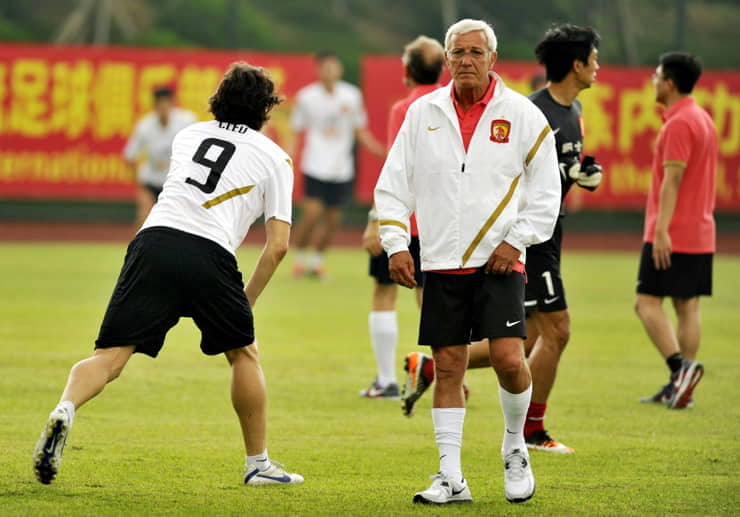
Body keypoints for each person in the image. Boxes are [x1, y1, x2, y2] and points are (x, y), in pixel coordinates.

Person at [33, 62, 303, 487]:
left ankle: (65, 407)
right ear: (266, 109)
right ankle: (258, 465)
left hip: (152, 241)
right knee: (243, 353)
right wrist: (244, 304)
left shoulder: (188, 135)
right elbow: (279, 245)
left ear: (218, 99)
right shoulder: (275, 157)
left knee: (111, 356)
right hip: (209, 252)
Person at [375, 18, 560, 505]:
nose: (466, 61)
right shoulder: (424, 113)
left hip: (500, 261)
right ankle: (450, 477)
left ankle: (515, 445)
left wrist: (516, 242)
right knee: (450, 365)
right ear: (447, 60)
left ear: (493, 59)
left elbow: (546, 194)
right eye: (457, 52)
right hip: (440, 261)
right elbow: (393, 185)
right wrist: (396, 243)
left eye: (476, 52)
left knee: (507, 358)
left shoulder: (521, 114)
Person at [402, 25, 603, 456]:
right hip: (523, 242)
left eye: (477, 52)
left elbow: (546, 176)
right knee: (556, 332)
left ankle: (434, 369)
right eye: (593, 59)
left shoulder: (572, 111)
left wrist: (579, 174)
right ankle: (531, 430)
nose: (598, 67)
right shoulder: (529, 111)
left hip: (542, 231)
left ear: (491, 58)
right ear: (576, 64)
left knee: (517, 343)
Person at [359, 35, 445, 399]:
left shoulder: (405, 109)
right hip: (441, 223)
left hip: (404, 222)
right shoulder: (453, 103)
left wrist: (375, 220)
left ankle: (386, 381)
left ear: (407, 71)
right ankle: (454, 374)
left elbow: (397, 170)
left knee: (384, 293)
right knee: (435, 300)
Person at [635, 52, 716, 409]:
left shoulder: (678, 124)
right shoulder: (703, 119)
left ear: (669, 83)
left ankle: (680, 371)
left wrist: (662, 230)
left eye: (656, 75)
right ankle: (683, 389)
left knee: (646, 303)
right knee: (687, 307)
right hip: (701, 229)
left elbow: (673, 180)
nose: (652, 81)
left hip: (673, 231)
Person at [290, 51, 385, 279]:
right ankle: (299, 259)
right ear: (318, 70)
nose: (329, 71)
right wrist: (288, 157)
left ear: (339, 69)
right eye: (325, 67)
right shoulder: (306, 97)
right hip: (314, 164)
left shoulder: (351, 95)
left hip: (341, 167)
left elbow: (359, 130)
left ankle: (317, 261)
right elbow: (295, 130)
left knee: (333, 220)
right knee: (312, 214)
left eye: (333, 67)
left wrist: (379, 150)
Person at [124, 86, 197, 228]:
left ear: (173, 104)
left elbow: (197, 150)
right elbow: (130, 157)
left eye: (167, 104)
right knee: (144, 219)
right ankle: (137, 250)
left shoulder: (187, 121)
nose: (163, 108)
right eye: (160, 104)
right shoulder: (145, 126)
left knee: (180, 222)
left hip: (176, 182)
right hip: (151, 182)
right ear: (154, 106)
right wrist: (141, 187)